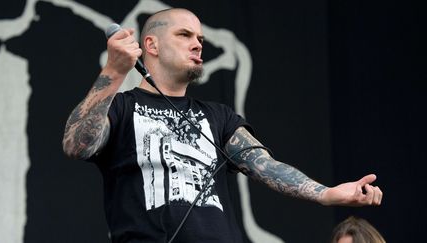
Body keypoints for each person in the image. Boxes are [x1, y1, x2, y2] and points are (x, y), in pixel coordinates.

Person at [62, 8, 383, 243]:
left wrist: (326, 194)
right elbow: (76, 144)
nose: (198, 44)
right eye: (184, 35)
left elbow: (264, 166)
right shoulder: (121, 107)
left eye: (200, 38)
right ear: (151, 45)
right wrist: (115, 71)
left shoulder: (218, 116)